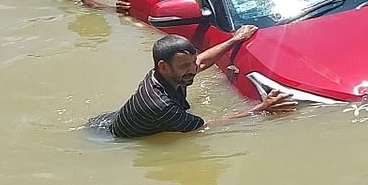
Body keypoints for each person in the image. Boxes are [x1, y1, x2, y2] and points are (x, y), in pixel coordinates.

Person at [100, 28, 296, 138]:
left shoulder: (166, 74)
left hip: (111, 120)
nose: (193, 69)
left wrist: (235, 39)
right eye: (186, 65)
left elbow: (201, 61)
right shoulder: (161, 105)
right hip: (116, 139)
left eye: (192, 63)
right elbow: (204, 127)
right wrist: (261, 109)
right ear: (164, 66)